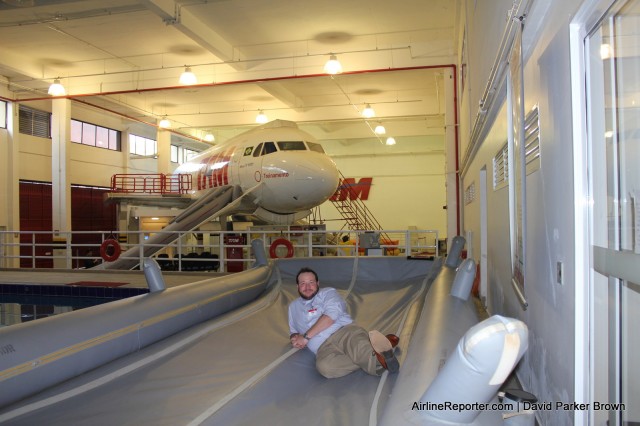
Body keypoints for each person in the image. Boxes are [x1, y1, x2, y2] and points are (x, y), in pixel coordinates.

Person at [288, 266, 400, 378]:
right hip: (323, 348)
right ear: (297, 286)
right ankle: (381, 350)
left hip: (345, 333)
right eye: (303, 283)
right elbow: (293, 331)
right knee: (325, 368)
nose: (307, 286)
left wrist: (306, 337)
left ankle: (380, 362)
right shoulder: (293, 307)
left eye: (311, 282)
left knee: (359, 349)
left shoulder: (328, 293)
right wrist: (294, 338)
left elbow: (331, 316)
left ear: (317, 283)